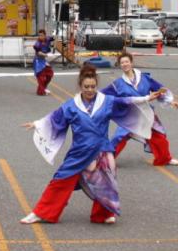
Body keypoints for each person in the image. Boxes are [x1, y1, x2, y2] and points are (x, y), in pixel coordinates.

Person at [19, 63, 131, 224]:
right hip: (79, 151)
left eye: (93, 86)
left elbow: (128, 102)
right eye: (86, 86)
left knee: (106, 182)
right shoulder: (71, 105)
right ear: (80, 86)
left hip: (102, 149)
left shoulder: (106, 101)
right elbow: (55, 118)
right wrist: (38, 124)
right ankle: (41, 213)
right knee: (60, 180)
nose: (90, 90)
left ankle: (103, 214)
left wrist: (147, 98)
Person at [104, 49, 178, 168]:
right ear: (120, 66)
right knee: (119, 138)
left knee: (159, 135)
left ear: (131, 63)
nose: (124, 64)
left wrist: (170, 101)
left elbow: (159, 89)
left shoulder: (144, 78)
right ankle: (106, 161)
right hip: (129, 115)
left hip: (146, 113)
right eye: (122, 63)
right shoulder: (118, 84)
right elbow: (104, 96)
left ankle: (164, 158)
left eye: (126, 62)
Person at [32, 28, 56, 95]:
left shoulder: (47, 39)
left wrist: (56, 37)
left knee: (50, 74)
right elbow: (39, 52)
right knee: (41, 77)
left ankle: (44, 87)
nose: (40, 37)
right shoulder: (37, 43)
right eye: (39, 35)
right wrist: (47, 55)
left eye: (42, 35)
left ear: (45, 35)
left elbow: (54, 38)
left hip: (44, 60)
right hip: (38, 61)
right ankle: (41, 91)